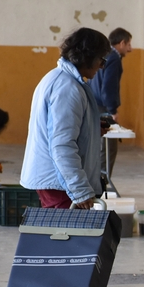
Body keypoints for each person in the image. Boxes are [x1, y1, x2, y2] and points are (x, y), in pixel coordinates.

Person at [22, 28, 112, 209]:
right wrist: (79, 189)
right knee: (65, 228)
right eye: (101, 60)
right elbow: (62, 144)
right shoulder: (67, 87)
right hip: (60, 183)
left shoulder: (59, 78)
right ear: (88, 57)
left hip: (57, 179)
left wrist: (91, 129)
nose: (102, 66)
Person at [90, 27, 133, 177]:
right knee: (108, 147)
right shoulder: (114, 58)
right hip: (104, 107)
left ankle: (96, 178)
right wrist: (113, 110)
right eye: (128, 45)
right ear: (121, 43)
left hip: (93, 104)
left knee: (97, 145)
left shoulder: (102, 55)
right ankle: (102, 180)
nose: (130, 49)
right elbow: (109, 87)